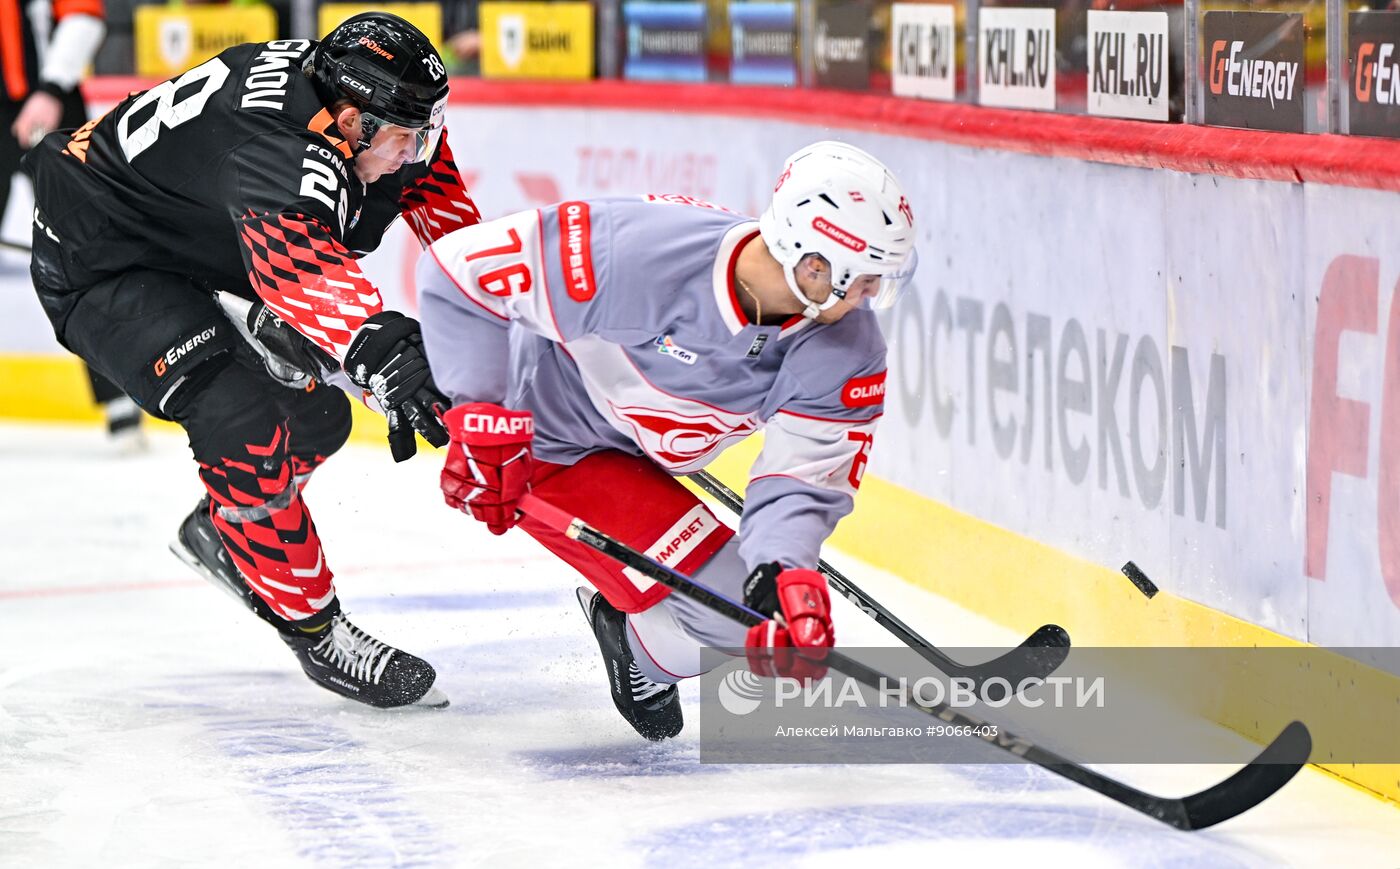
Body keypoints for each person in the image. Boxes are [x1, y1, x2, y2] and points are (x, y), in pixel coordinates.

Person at [24, 12, 483, 708]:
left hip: (187, 234)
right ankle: (315, 630)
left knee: (318, 416)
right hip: (101, 258)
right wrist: (385, 357)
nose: (419, 151)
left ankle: (224, 529)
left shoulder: (371, 114)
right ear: (351, 122)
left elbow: (462, 244)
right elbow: (305, 276)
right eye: (406, 138)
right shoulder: (275, 151)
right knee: (240, 423)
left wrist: (502, 331)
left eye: (428, 131)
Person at [417, 142, 917, 739]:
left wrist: (784, 567)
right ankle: (639, 631)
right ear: (811, 263)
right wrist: (482, 415)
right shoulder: (639, 249)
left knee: (755, 615)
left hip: (642, 449)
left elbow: (801, 476)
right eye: (864, 279)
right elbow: (459, 271)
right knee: (733, 619)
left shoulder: (849, 347)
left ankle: (635, 645)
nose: (869, 297)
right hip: (552, 446)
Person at [1, 0, 147, 447]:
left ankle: (119, 395)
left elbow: (82, 15)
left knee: (85, 248)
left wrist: (50, 88)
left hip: (47, 106)